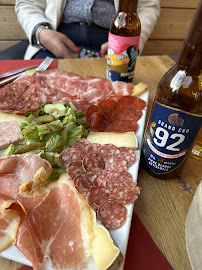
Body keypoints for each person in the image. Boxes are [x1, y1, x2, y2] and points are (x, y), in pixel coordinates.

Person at [8, 0, 160, 60]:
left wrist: (129, 44)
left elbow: (147, 7)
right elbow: (27, 3)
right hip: (52, 41)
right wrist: (41, 32)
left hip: (114, 44)